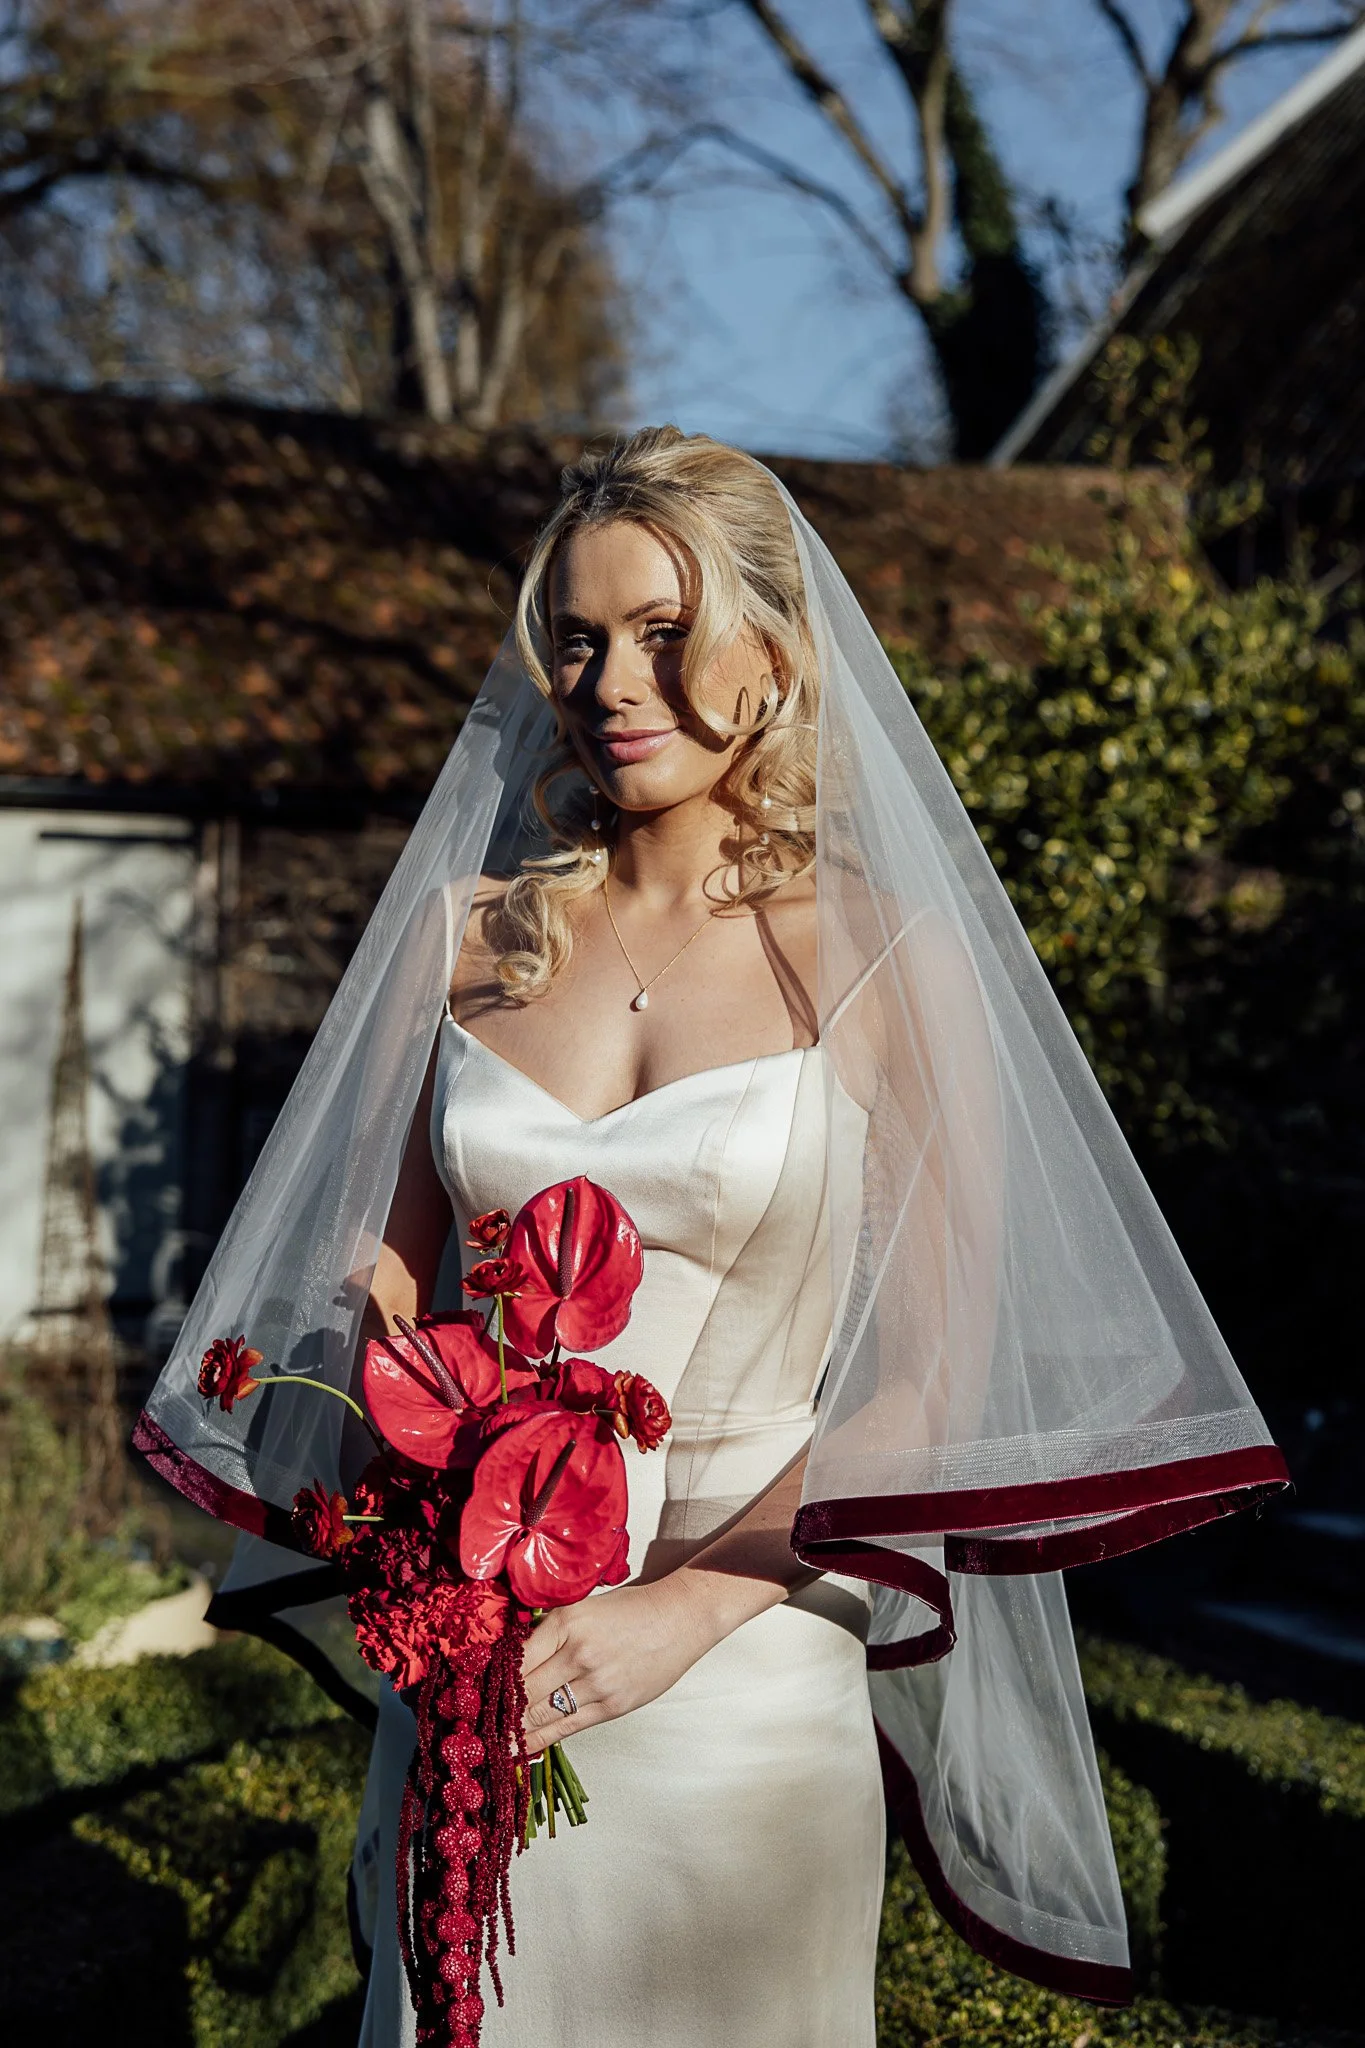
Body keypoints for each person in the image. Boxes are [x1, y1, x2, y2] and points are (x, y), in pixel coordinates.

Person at [135, 426, 1287, 2045]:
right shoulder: (464, 941)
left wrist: (692, 1609)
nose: (613, 683)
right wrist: (433, 1536)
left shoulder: (884, 957)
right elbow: (378, 1286)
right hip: (485, 1661)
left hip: (752, 1658)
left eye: (664, 632)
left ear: (777, 650)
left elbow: (931, 1381)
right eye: (580, 639)